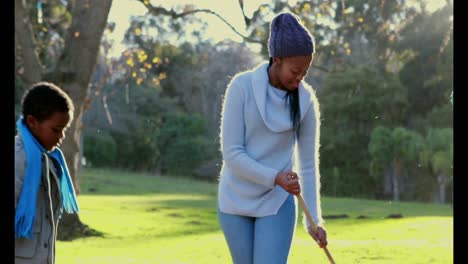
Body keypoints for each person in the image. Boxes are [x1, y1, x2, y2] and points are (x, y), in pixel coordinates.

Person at [217, 12, 327, 263]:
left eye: (305, 72)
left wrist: (314, 222)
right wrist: (275, 177)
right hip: (235, 200)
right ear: (276, 59)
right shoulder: (241, 87)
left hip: (276, 202)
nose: (300, 79)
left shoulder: (306, 101)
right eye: (295, 71)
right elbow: (232, 154)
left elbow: (308, 165)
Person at [15, 82, 79, 264]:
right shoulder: (18, 160)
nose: (61, 137)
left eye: (64, 130)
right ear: (32, 122)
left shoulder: (48, 161)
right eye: (56, 130)